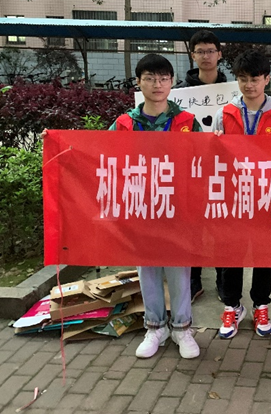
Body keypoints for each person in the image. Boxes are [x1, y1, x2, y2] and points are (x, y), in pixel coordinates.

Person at [109, 53, 201, 360]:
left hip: (177, 208)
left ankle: (182, 327)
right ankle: (155, 327)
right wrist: (58, 143)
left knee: (179, 270)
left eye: (163, 78)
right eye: (149, 78)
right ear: (139, 82)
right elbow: (96, 153)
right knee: (147, 268)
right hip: (141, 207)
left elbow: (204, 160)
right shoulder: (124, 124)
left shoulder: (187, 122)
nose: (157, 84)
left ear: (172, 82)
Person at [213, 50, 271, 339]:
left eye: (255, 79)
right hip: (233, 198)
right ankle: (232, 306)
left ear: (267, 80)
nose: (249, 85)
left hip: (266, 198)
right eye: (243, 79)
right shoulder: (225, 114)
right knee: (231, 254)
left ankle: (261, 304)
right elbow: (215, 158)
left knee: (264, 255)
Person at [175, 29, 227, 304]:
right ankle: (193, 278)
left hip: (223, 168)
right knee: (192, 225)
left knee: (221, 225)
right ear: (192, 55)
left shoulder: (234, 90)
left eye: (210, 51)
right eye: (200, 51)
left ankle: (223, 278)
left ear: (219, 54)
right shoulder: (178, 94)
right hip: (190, 168)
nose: (206, 56)